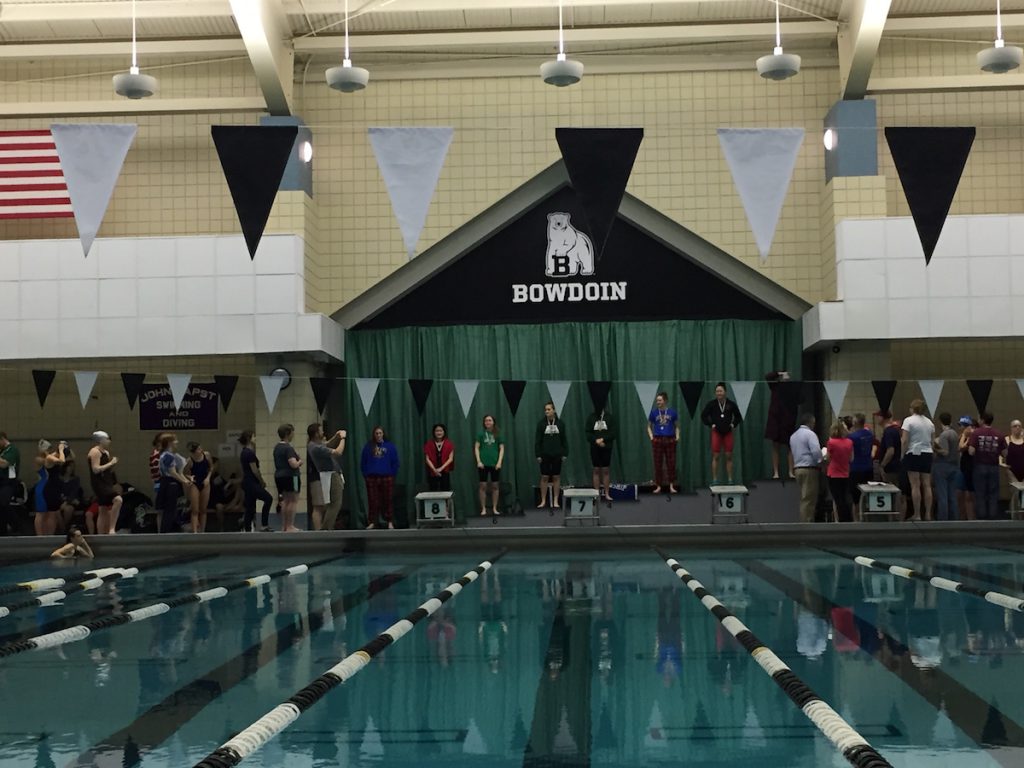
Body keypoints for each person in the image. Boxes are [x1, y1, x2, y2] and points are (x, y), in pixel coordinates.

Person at [701, 382, 743, 484]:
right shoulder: (711, 404)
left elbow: (738, 416)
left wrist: (733, 424)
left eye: (720, 391)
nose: (718, 393)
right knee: (716, 456)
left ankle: (730, 479)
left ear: (725, 392)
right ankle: (715, 479)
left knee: (729, 456)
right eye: (717, 391)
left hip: (728, 432)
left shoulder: (731, 404)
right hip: (716, 432)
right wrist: (711, 424)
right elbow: (703, 416)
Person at [307, 423, 347, 531]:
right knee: (335, 503)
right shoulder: (316, 448)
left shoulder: (313, 445)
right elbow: (338, 452)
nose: (323, 432)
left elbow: (327, 444)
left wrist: (336, 436)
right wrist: (343, 438)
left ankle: (327, 527)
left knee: (331, 504)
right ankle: (326, 528)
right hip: (331, 475)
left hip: (328, 475)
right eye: (320, 431)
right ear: (316, 434)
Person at [901, 399, 935, 522]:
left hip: (913, 453)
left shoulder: (908, 421)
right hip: (927, 453)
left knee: (915, 485)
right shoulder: (930, 422)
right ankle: (928, 514)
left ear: (912, 409)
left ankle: (917, 514)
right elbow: (932, 441)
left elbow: (904, 440)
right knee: (927, 485)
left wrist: (902, 454)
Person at [969, 412, 1006, 521]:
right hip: (994, 467)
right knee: (993, 493)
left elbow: (971, 451)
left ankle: (982, 517)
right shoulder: (999, 434)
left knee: (980, 493)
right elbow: (1005, 453)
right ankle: (993, 516)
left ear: (982, 420)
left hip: (979, 466)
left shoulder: (976, 433)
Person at [360, 426, 399, 529]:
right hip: (372, 478)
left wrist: (392, 474)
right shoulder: (368, 447)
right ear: (374, 435)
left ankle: (390, 521)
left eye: (380, 433)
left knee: (388, 500)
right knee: (373, 500)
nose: (378, 435)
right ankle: (372, 521)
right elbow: (363, 462)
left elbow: (395, 462)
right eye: (376, 433)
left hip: (387, 477)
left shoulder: (390, 446)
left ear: (383, 434)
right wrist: (366, 474)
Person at [87, 431, 122, 535]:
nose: (109, 441)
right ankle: (112, 529)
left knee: (102, 509)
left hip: (106, 482)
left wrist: (111, 465)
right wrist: (111, 463)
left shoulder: (106, 452)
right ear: (101, 440)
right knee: (118, 500)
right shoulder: (95, 452)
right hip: (99, 483)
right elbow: (95, 469)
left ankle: (101, 533)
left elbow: (106, 469)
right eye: (107, 439)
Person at [156, 432, 192, 534]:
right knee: (169, 510)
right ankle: (166, 531)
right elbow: (172, 472)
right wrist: (184, 481)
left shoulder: (163, 454)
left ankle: (165, 531)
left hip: (164, 482)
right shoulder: (169, 456)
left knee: (166, 509)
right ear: (169, 443)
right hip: (170, 484)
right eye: (175, 440)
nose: (177, 442)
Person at [764, 371, 798, 479]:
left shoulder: (792, 390)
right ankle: (776, 472)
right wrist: (779, 373)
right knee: (775, 446)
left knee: (790, 446)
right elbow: (768, 376)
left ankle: (791, 471)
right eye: (783, 378)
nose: (785, 379)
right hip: (775, 420)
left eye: (787, 378)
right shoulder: (775, 387)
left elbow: (799, 400)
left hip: (788, 420)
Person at [790, 413, 822, 523]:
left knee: (804, 497)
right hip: (809, 468)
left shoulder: (793, 436)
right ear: (810, 422)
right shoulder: (810, 434)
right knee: (809, 498)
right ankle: (807, 522)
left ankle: (805, 520)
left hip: (798, 468)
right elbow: (816, 451)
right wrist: (820, 461)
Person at [535, 402, 568, 509]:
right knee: (544, 477)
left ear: (554, 410)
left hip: (557, 455)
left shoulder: (560, 423)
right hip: (544, 455)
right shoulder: (541, 424)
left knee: (556, 477)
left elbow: (564, 440)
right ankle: (543, 500)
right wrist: (538, 455)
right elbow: (537, 441)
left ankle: (555, 500)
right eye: (545, 410)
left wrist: (565, 453)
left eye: (549, 409)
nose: (547, 411)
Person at [239, 431, 274, 532]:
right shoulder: (249, 453)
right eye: (254, 437)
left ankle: (247, 528)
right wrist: (261, 481)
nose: (256, 439)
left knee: (250, 506)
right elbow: (254, 470)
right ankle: (264, 524)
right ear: (249, 439)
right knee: (268, 499)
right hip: (251, 482)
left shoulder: (243, 452)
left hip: (247, 482)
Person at [647, 392, 679, 494]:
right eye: (657, 401)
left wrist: (677, 437)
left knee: (671, 463)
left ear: (665, 401)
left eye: (660, 400)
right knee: (658, 463)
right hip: (657, 439)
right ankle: (658, 486)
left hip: (670, 439)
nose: (658, 402)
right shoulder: (653, 413)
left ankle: (671, 485)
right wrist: (652, 437)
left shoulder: (672, 412)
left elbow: (677, 426)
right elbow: (648, 426)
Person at [273, 424, 303, 533]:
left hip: (279, 476)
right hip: (291, 476)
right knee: (293, 501)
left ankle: (284, 526)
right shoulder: (288, 448)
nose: (293, 435)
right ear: (287, 434)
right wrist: (300, 461)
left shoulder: (277, 448)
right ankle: (290, 526)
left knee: (285, 501)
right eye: (292, 433)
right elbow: (293, 464)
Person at [33, 439, 66, 536]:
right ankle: (40, 535)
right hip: (42, 487)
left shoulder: (49, 457)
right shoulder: (39, 459)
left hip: (50, 487)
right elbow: (53, 460)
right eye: (48, 449)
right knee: (41, 513)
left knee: (51, 513)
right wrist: (58, 451)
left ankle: (49, 534)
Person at [876, 411, 905, 519]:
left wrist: (882, 465)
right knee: (898, 493)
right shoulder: (894, 431)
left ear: (883, 418)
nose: (877, 419)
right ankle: (898, 517)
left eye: (878, 416)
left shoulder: (888, 432)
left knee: (892, 493)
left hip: (891, 468)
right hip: (896, 466)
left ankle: (894, 518)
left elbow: (890, 450)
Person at [474, 415, 505, 517]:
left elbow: (501, 448)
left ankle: (494, 508)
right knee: (483, 486)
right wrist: (478, 461)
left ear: (493, 422)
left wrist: (499, 462)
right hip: (483, 464)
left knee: (495, 486)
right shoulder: (480, 434)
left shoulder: (498, 434)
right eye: (486, 420)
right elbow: (477, 448)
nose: (488, 422)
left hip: (495, 464)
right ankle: (483, 508)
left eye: (490, 420)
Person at [585, 405, 617, 502]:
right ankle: (596, 494)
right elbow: (588, 433)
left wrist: (603, 440)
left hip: (606, 447)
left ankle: (607, 493)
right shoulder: (591, 418)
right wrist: (596, 441)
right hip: (595, 447)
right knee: (596, 470)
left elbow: (613, 433)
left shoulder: (609, 417)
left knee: (606, 470)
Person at [932, 413, 960, 522]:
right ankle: (955, 518)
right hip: (954, 466)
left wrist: (934, 448)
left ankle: (943, 519)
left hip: (942, 466)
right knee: (952, 495)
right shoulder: (954, 434)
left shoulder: (944, 435)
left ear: (940, 422)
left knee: (942, 495)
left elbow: (945, 452)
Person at [825, 420, 853, 523]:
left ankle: (839, 519)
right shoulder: (849, 442)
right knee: (845, 497)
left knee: (836, 498)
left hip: (833, 473)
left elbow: (828, 458)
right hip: (845, 472)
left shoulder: (831, 442)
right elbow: (851, 458)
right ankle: (847, 518)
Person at [847, 414, 875, 513]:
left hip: (855, 468)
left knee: (856, 498)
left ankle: (856, 519)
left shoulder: (852, 437)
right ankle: (866, 516)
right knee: (867, 495)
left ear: (854, 423)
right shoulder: (870, 435)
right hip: (868, 467)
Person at [184, 442, 212, 533]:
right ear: (194, 452)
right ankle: (195, 532)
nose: (201, 450)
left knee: (203, 509)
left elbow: (211, 468)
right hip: (195, 483)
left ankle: (203, 531)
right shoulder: (190, 461)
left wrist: (208, 478)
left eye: (201, 448)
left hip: (205, 482)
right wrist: (190, 477)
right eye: (199, 449)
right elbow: (185, 473)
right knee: (195, 510)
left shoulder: (206, 455)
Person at [423, 423, 455, 492]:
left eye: (441, 431)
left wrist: (441, 469)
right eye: (437, 431)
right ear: (434, 432)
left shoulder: (449, 444)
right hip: (432, 472)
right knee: (433, 491)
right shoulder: (429, 444)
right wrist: (434, 470)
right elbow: (427, 459)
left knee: (445, 491)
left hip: (445, 471)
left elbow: (450, 459)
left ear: (444, 432)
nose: (439, 432)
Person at [0, 432, 20, 536]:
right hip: (1, 483)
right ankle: (2, 530)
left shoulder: (12, 450)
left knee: (3, 502)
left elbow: (4, 464)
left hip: (8, 482)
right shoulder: (2, 451)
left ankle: (16, 525)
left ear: (2, 439)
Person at [58, 459, 86, 534]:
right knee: (55, 511)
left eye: (73, 467)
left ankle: (64, 528)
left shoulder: (75, 479)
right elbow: (57, 492)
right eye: (70, 466)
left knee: (68, 509)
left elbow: (74, 492)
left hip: (72, 501)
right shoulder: (59, 479)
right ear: (65, 467)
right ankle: (62, 529)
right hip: (60, 501)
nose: (72, 468)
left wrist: (67, 501)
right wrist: (62, 500)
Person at [957, 416, 977, 521]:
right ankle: (963, 517)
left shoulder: (972, 436)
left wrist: (965, 435)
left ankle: (971, 518)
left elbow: (961, 448)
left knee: (969, 495)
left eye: (962, 426)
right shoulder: (964, 435)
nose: (960, 428)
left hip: (970, 468)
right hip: (964, 468)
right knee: (961, 494)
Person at [1001, 419, 1024, 484]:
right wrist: (1002, 464)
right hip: (1011, 471)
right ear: (1011, 428)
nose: (1017, 428)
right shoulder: (1007, 439)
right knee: (1015, 492)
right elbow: (1000, 454)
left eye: (1019, 426)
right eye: (1015, 426)